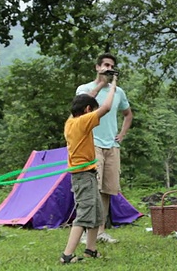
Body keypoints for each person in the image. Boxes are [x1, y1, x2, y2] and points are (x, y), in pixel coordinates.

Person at [59, 74, 119, 264]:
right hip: (82, 174)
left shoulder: (70, 122)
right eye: (91, 110)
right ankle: (67, 255)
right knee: (85, 213)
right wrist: (113, 86)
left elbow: (79, 105)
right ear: (87, 110)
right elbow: (107, 107)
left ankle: (90, 250)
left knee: (97, 211)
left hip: (86, 173)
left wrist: (99, 85)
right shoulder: (83, 122)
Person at [76, 53, 133, 244]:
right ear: (97, 67)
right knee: (92, 188)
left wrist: (122, 134)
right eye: (106, 65)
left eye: (112, 65)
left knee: (108, 190)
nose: (109, 68)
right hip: (92, 143)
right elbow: (80, 107)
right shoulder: (85, 88)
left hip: (112, 145)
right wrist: (101, 83)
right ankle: (85, 232)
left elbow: (128, 114)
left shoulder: (118, 92)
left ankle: (100, 231)